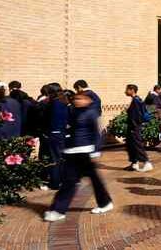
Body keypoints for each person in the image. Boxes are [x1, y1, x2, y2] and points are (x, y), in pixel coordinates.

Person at [42, 91, 114, 221]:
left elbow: (99, 133)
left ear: (88, 100)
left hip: (85, 152)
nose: (77, 101)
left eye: (81, 98)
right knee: (83, 180)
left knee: (72, 181)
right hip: (72, 152)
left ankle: (58, 210)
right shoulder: (73, 112)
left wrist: (95, 151)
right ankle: (105, 202)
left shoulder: (92, 113)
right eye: (76, 98)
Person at [125, 84, 153, 172]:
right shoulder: (136, 100)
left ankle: (147, 162)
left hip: (134, 127)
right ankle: (134, 163)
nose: (125, 91)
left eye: (127, 89)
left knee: (137, 145)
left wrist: (134, 127)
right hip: (133, 126)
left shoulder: (136, 101)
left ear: (132, 90)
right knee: (131, 145)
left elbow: (137, 115)